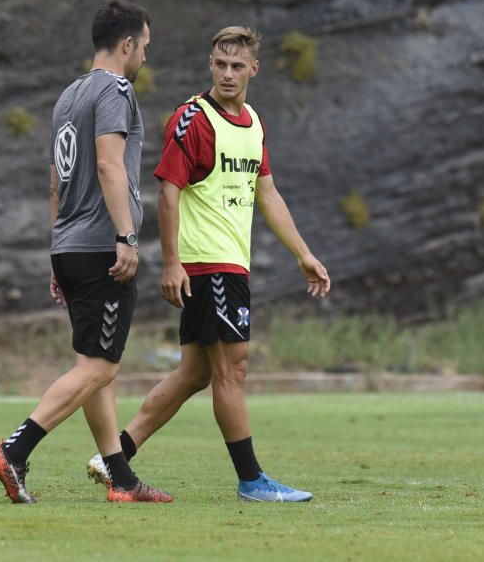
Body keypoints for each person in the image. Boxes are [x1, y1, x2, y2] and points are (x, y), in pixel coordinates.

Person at [87, 26, 331, 502]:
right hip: (208, 265)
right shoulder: (193, 120)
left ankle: (114, 455)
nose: (227, 73)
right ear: (210, 65)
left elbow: (268, 192)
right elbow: (168, 191)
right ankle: (252, 480)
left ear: (253, 70)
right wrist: (172, 263)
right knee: (232, 371)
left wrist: (302, 253)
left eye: (237, 66)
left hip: (230, 264)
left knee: (196, 373)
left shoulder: (254, 122)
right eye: (220, 64)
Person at [0, 0, 171, 504]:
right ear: (127, 44)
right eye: (145, 48)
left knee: (96, 363)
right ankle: (14, 451)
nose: (145, 58)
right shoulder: (115, 90)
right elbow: (111, 167)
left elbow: (54, 184)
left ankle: (121, 478)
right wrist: (126, 236)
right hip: (100, 247)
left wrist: (55, 250)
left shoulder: (67, 96)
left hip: (69, 244)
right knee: (101, 368)